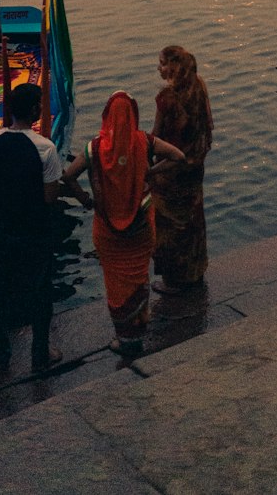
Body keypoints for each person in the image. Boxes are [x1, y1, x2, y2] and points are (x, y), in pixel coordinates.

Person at [62, 92, 184, 356]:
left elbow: (68, 176)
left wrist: (84, 199)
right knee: (139, 277)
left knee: (115, 281)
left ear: (107, 116)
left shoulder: (94, 148)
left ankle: (124, 337)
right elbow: (178, 157)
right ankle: (138, 330)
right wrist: (150, 172)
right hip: (141, 228)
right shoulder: (145, 142)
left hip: (107, 230)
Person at [0, 82, 64, 374]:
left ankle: (0, 355)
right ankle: (40, 353)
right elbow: (50, 197)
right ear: (35, 111)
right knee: (41, 293)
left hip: (4, 228)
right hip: (35, 232)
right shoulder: (46, 148)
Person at [151, 46, 214, 295]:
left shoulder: (166, 98)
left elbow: (155, 136)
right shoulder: (199, 87)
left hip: (169, 173)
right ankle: (194, 273)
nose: (159, 68)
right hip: (193, 168)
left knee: (168, 226)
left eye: (162, 63)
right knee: (192, 221)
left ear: (174, 67)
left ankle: (173, 281)